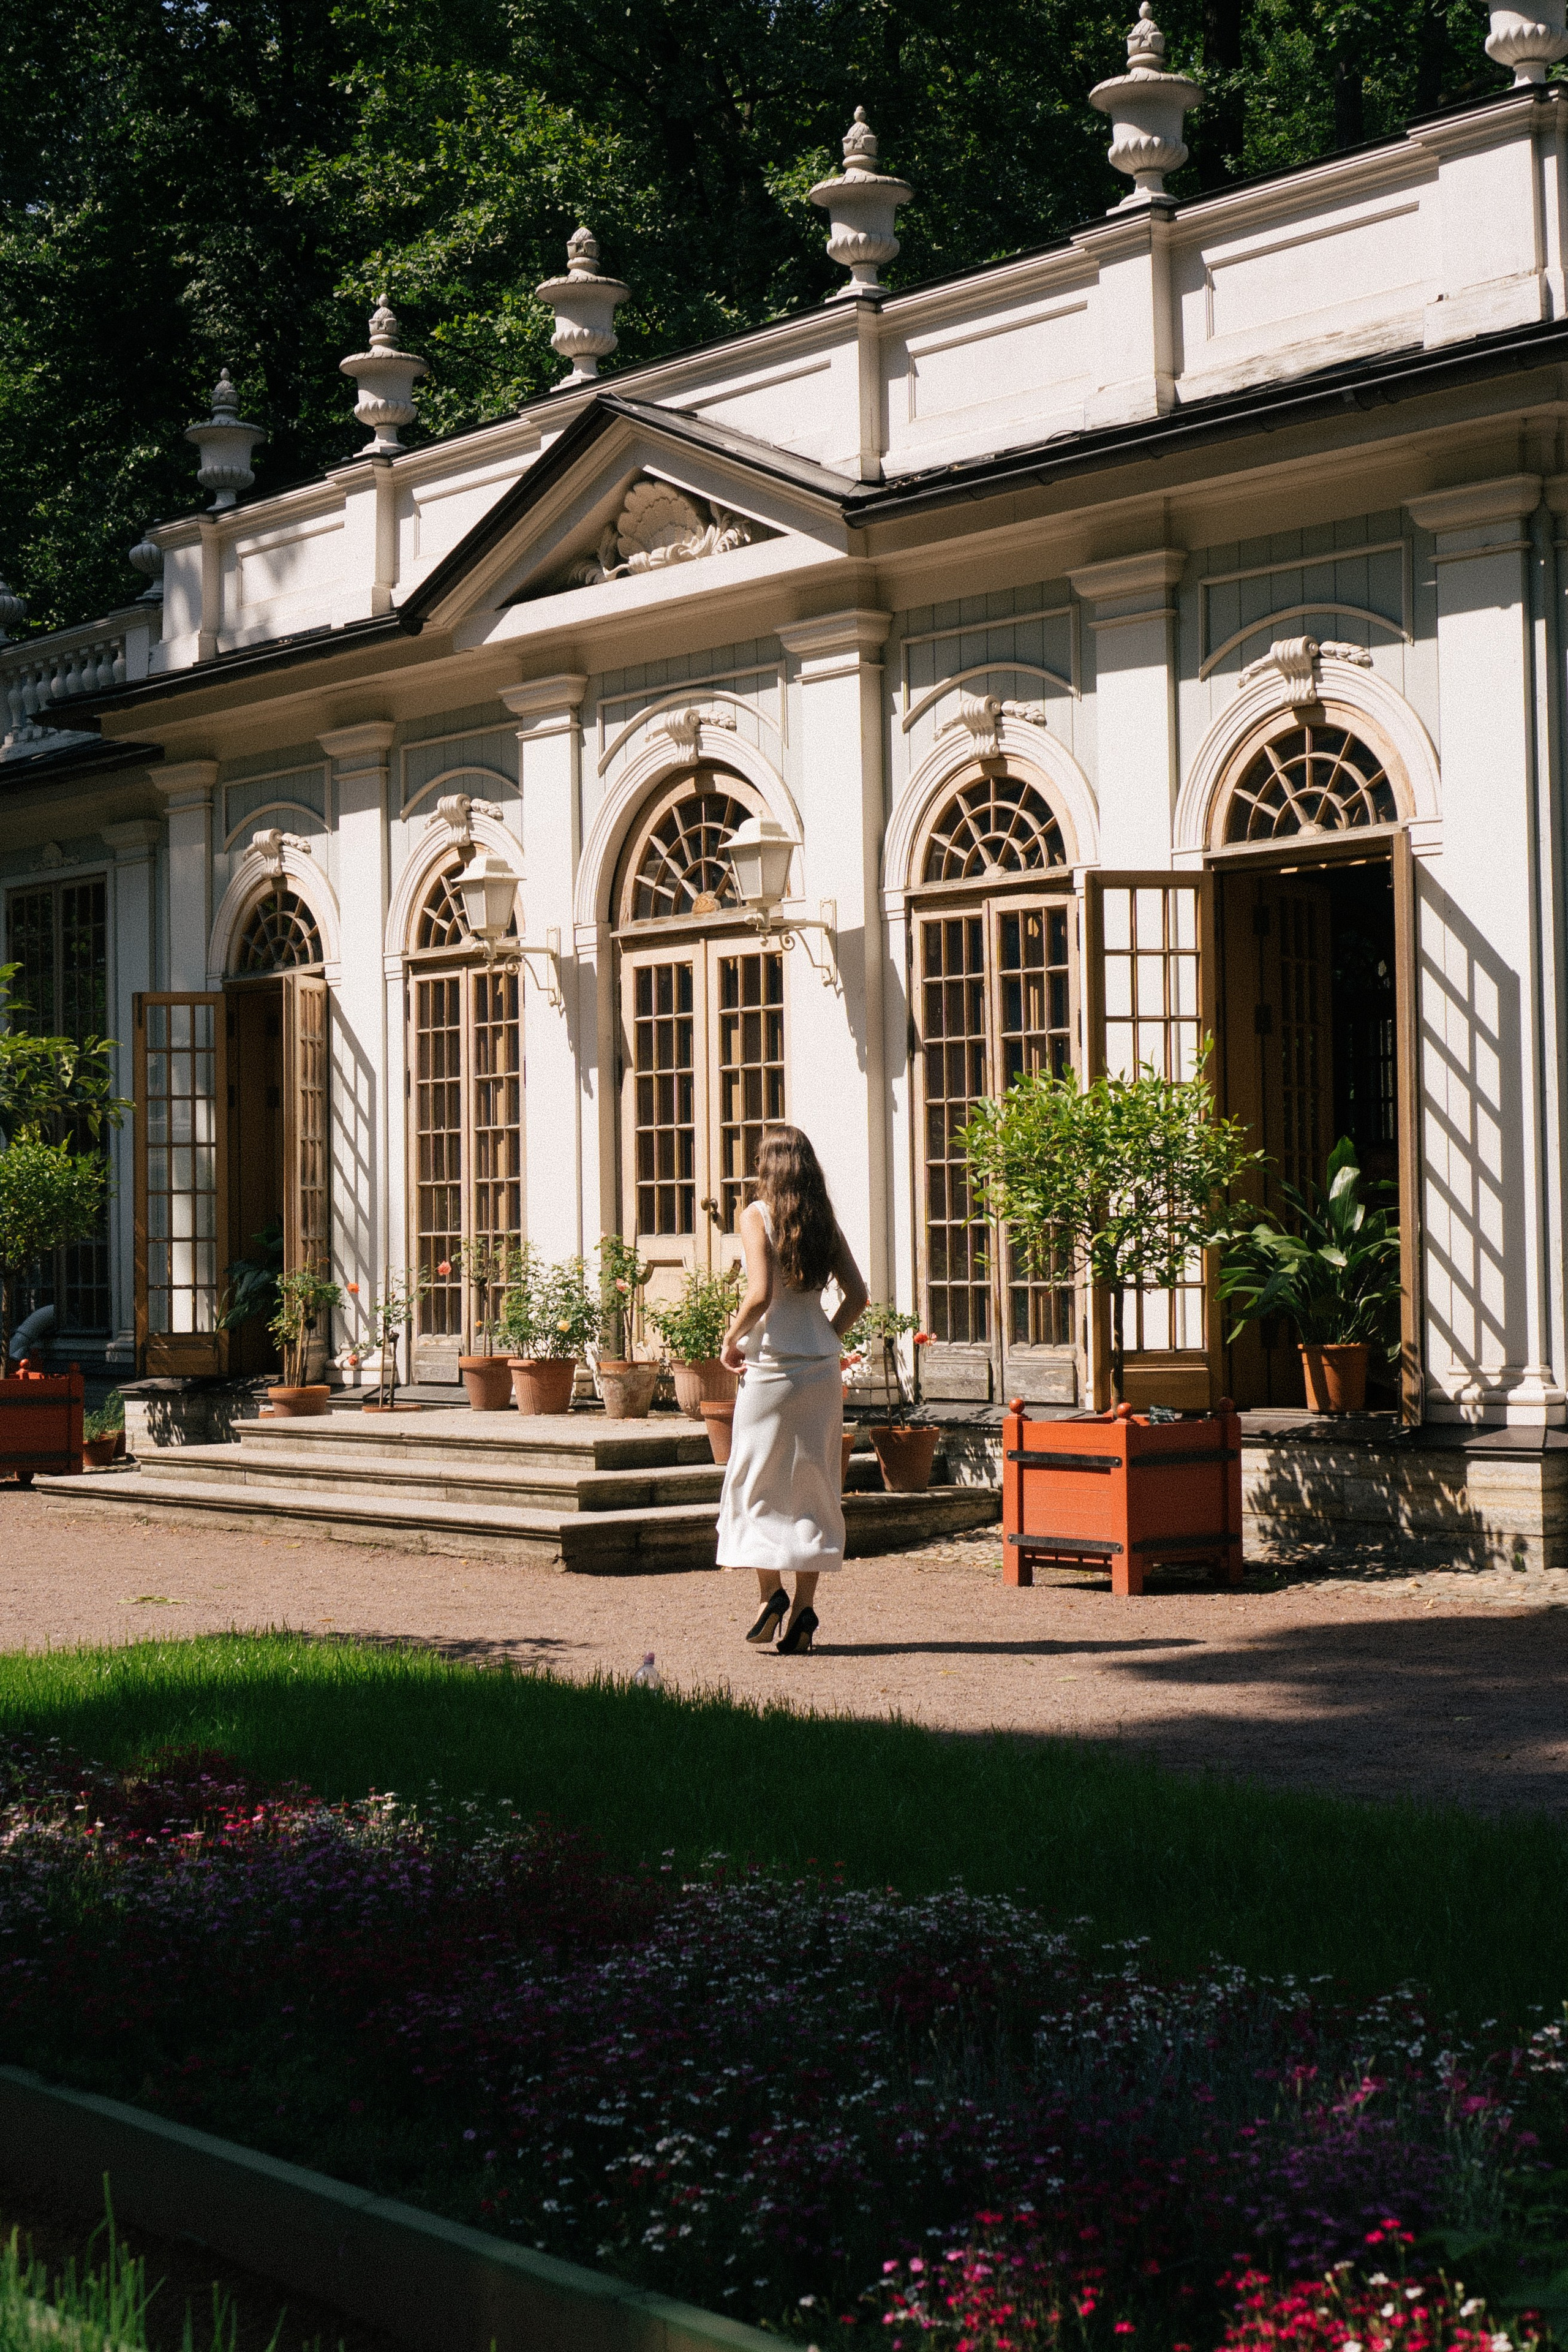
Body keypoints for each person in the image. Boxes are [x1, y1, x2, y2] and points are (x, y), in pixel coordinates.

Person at [715, 1125, 869, 1655]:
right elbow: (858, 1296)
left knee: (754, 1480)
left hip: (771, 1368)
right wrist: (828, 1338)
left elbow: (759, 1295)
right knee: (814, 1484)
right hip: (821, 1371)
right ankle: (804, 1610)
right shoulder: (824, 1222)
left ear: (767, 1166)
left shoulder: (756, 1216)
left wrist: (731, 1338)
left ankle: (770, 1595)